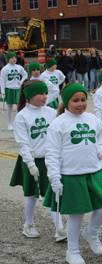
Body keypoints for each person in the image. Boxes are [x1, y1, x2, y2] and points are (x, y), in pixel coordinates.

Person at [43, 83, 102, 264]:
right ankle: (72, 250)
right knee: (76, 213)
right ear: (66, 102)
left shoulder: (92, 119)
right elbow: (52, 153)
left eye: (83, 100)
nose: (80, 104)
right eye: (75, 101)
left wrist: (100, 146)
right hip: (71, 175)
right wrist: (54, 178)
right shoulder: (59, 123)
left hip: (93, 171)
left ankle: (91, 232)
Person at [10, 80, 65, 241]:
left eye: (45, 93)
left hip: (50, 159)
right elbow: (23, 143)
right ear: (29, 96)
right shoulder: (22, 116)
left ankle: (59, 227)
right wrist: (30, 164)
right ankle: (29, 224)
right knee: (32, 195)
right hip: (32, 161)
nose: (44, 96)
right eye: (40, 93)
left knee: (55, 192)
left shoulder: (50, 112)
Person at [0, 52, 28, 130]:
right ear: (8, 59)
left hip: (17, 89)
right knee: (9, 107)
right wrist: (3, 92)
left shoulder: (19, 67)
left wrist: (21, 81)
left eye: (15, 58)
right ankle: (9, 124)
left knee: (20, 106)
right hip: (9, 89)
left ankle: (20, 123)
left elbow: (25, 74)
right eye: (12, 58)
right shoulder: (5, 69)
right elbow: (2, 80)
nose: (14, 59)